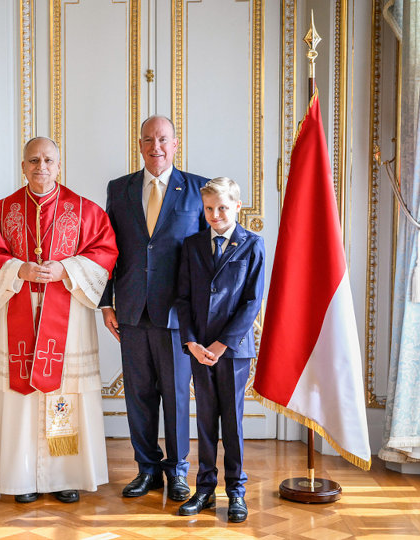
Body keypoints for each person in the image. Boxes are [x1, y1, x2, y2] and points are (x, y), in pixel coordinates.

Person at [0, 136, 118, 503]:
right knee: (22, 396)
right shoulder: (3, 210)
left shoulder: (84, 210)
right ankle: (22, 477)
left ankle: (63, 476)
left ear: (59, 165)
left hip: (68, 317)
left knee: (63, 392)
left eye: (48, 160)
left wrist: (66, 269)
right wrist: (18, 269)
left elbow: (105, 253)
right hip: (19, 308)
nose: (41, 167)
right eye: (34, 160)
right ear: (23, 166)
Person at [100, 115, 208, 501]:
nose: (155, 147)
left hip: (178, 315)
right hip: (130, 310)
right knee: (139, 396)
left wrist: (201, 314)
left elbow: (206, 257)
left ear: (175, 144)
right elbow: (108, 250)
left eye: (163, 139)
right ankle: (147, 469)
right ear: (140, 145)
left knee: (176, 396)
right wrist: (106, 302)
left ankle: (177, 471)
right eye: (148, 139)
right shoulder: (119, 189)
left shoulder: (198, 189)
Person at [174, 177, 265, 523]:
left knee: (232, 422)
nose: (215, 215)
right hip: (199, 349)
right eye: (209, 208)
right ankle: (205, 489)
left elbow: (251, 302)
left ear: (237, 206)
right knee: (206, 419)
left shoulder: (252, 245)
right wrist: (192, 342)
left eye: (222, 208)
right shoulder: (192, 245)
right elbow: (183, 298)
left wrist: (222, 343)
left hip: (233, 350)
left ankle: (236, 491)